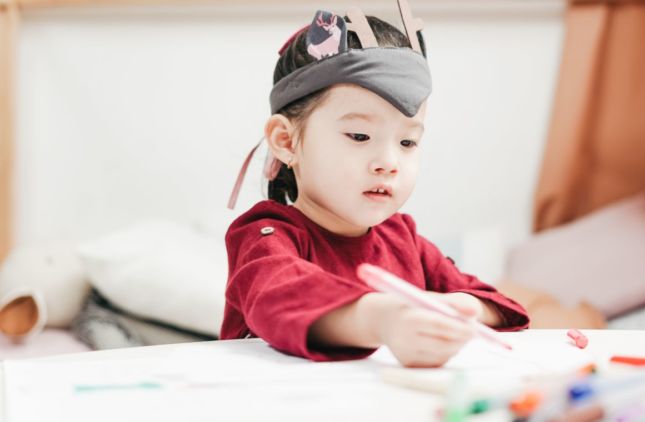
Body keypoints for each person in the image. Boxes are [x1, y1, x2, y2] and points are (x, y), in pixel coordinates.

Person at [221, 0, 529, 367]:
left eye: (407, 142)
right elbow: (278, 295)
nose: (388, 163)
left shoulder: (404, 240)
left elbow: (501, 307)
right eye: (359, 136)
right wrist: (384, 320)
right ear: (287, 142)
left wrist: (459, 309)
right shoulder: (265, 235)